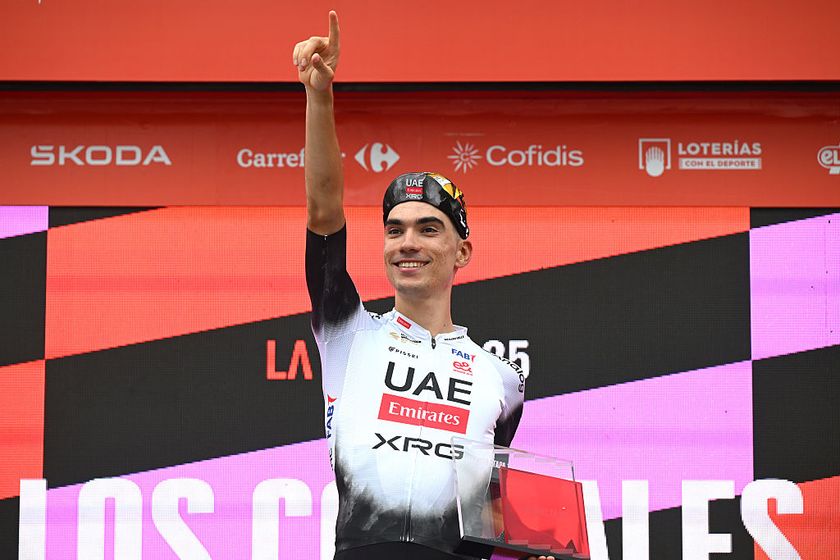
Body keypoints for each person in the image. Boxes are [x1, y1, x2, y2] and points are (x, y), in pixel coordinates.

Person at [295, 12, 553, 560]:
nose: (406, 243)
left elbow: (489, 513)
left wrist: (539, 549)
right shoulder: (348, 334)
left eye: (428, 229)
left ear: (462, 253)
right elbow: (323, 212)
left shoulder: (502, 380)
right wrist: (319, 97)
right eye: (395, 230)